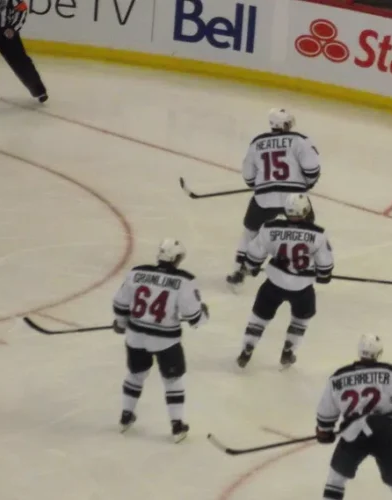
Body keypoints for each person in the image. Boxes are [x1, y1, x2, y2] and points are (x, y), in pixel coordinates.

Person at [111, 239, 209, 442]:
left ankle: (126, 416)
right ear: (176, 259)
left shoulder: (137, 273)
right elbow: (194, 318)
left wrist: (121, 322)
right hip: (165, 341)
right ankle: (176, 425)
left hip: (136, 336)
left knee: (135, 374)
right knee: (173, 381)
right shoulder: (185, 280)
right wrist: (204, 314)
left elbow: (121, 303)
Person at [235, 193, 333, 368]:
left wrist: (252, 267)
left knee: (259, 318)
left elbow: (255, 254)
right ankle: (288, 350)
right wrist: (324, 276)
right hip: (302, 288)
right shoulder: (318, 234)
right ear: (306, 210)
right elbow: (325, 265)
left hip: (274, 283)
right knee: (300, 320)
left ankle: (247, 348)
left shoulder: (270, 227)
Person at [316, 334, 392, 500]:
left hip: (353, 433)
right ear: (378, 353)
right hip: (385, 433)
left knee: (335, 480)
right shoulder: (391, 372)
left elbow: (325, 416)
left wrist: (324, 431)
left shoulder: (338, 377)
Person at [228, 108, 321, 286]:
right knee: (307, 232)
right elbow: (312, 170)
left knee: (250, 233)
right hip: (295, 197)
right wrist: (306, 184)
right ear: (285, 124)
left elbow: (248, 176)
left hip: (264, 198)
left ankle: (239, 271)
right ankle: (309, 268)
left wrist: (263, 186)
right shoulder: (300, 140)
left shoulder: (257, 142)